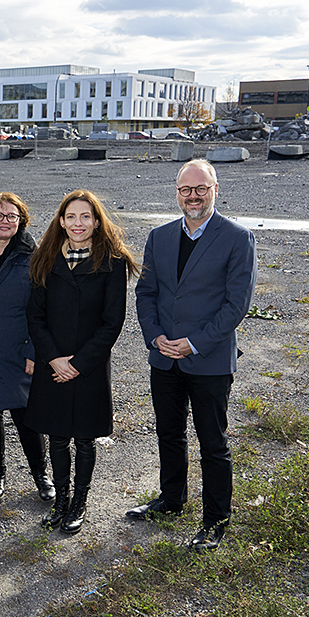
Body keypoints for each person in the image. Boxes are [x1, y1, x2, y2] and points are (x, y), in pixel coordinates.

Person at [127, 160, 257, 551]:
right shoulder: (159, 237)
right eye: (186, 189)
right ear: (177, 193)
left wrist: (194, 342)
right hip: (164, 357)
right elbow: (146, 294)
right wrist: (156, 337)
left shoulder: (237, 238)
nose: (193, 196)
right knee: (169, 433)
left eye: (201, 188)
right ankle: (171, 501)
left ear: (215, 190)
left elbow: (236, 306)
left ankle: (216, 520)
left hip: (209, 360)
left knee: (212, 442)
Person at [26, 190, 139, 534]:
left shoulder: (112, 262)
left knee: (84, 439)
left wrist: (77, 364)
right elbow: (34, 316)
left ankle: (80, 502)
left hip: (88, 366)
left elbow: (112, 322)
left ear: (96, 221)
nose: (78, 223)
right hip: (52, 365)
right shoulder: (44, 258)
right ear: (61, 221)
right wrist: (54, 360)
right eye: (71, 217)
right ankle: (60, 500)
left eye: (85, 217)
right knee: (57, 436)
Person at [0, 192, 53, 503]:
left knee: (26, 417)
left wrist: (33, 350)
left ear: (22, 220)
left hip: (18, 352)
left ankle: (41, 475)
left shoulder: (35, 256)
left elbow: (44, 309)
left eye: (11, 216)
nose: (4, 221)